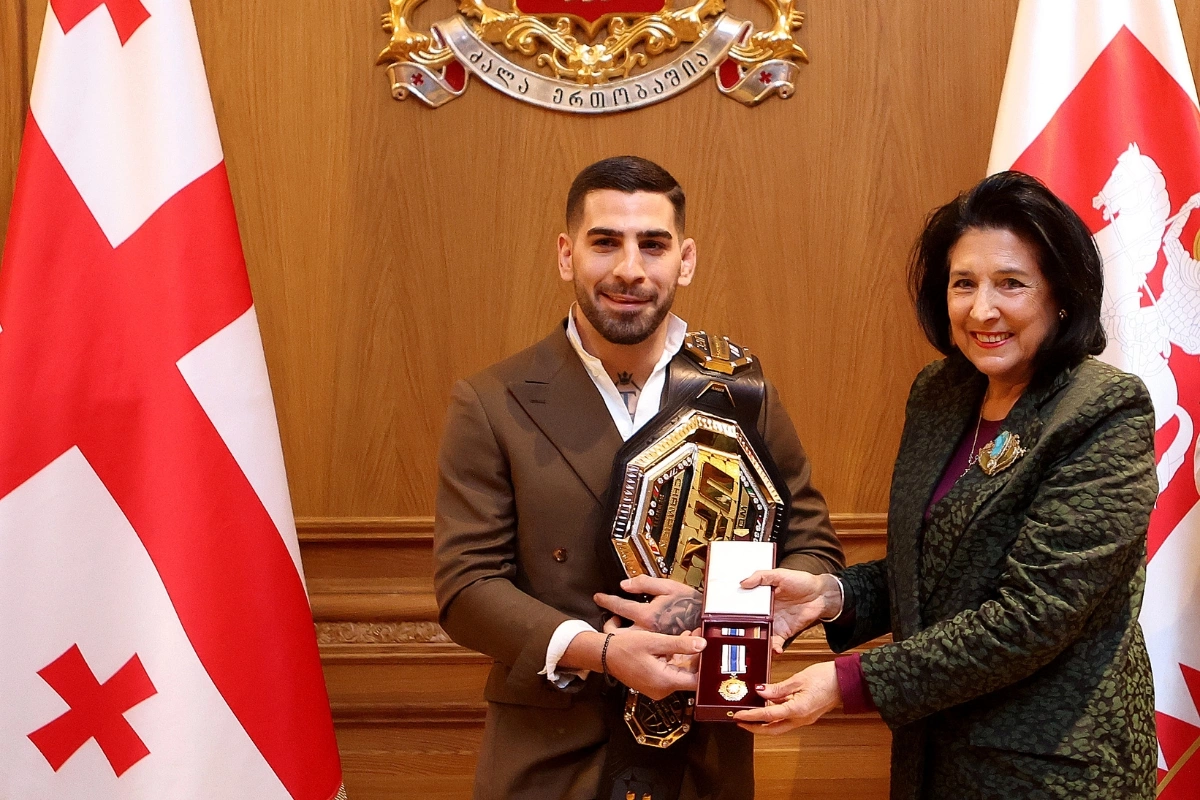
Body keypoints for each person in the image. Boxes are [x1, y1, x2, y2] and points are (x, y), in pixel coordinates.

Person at [733, 171, 1158, 799]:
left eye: (1010, 283)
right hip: (934, 760)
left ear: (1061, 295)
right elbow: (941, 567)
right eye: (964, 284)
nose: (981, 309)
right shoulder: (940, 393)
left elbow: (1034, 615)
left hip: (1055, 771)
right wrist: (831, 596)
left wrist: (847, 681)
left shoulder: (1104, 411)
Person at [433, 155, 844, 800]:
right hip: (550, 762)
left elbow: (811, 544)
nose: (630, 269)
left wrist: (751, 623)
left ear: (685, 259)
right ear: (567, 255)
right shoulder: (492, 401)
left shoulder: (741, 391)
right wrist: (600, 652)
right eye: (605, 243)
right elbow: (466, 588)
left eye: (652, 245)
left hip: (704, 757)